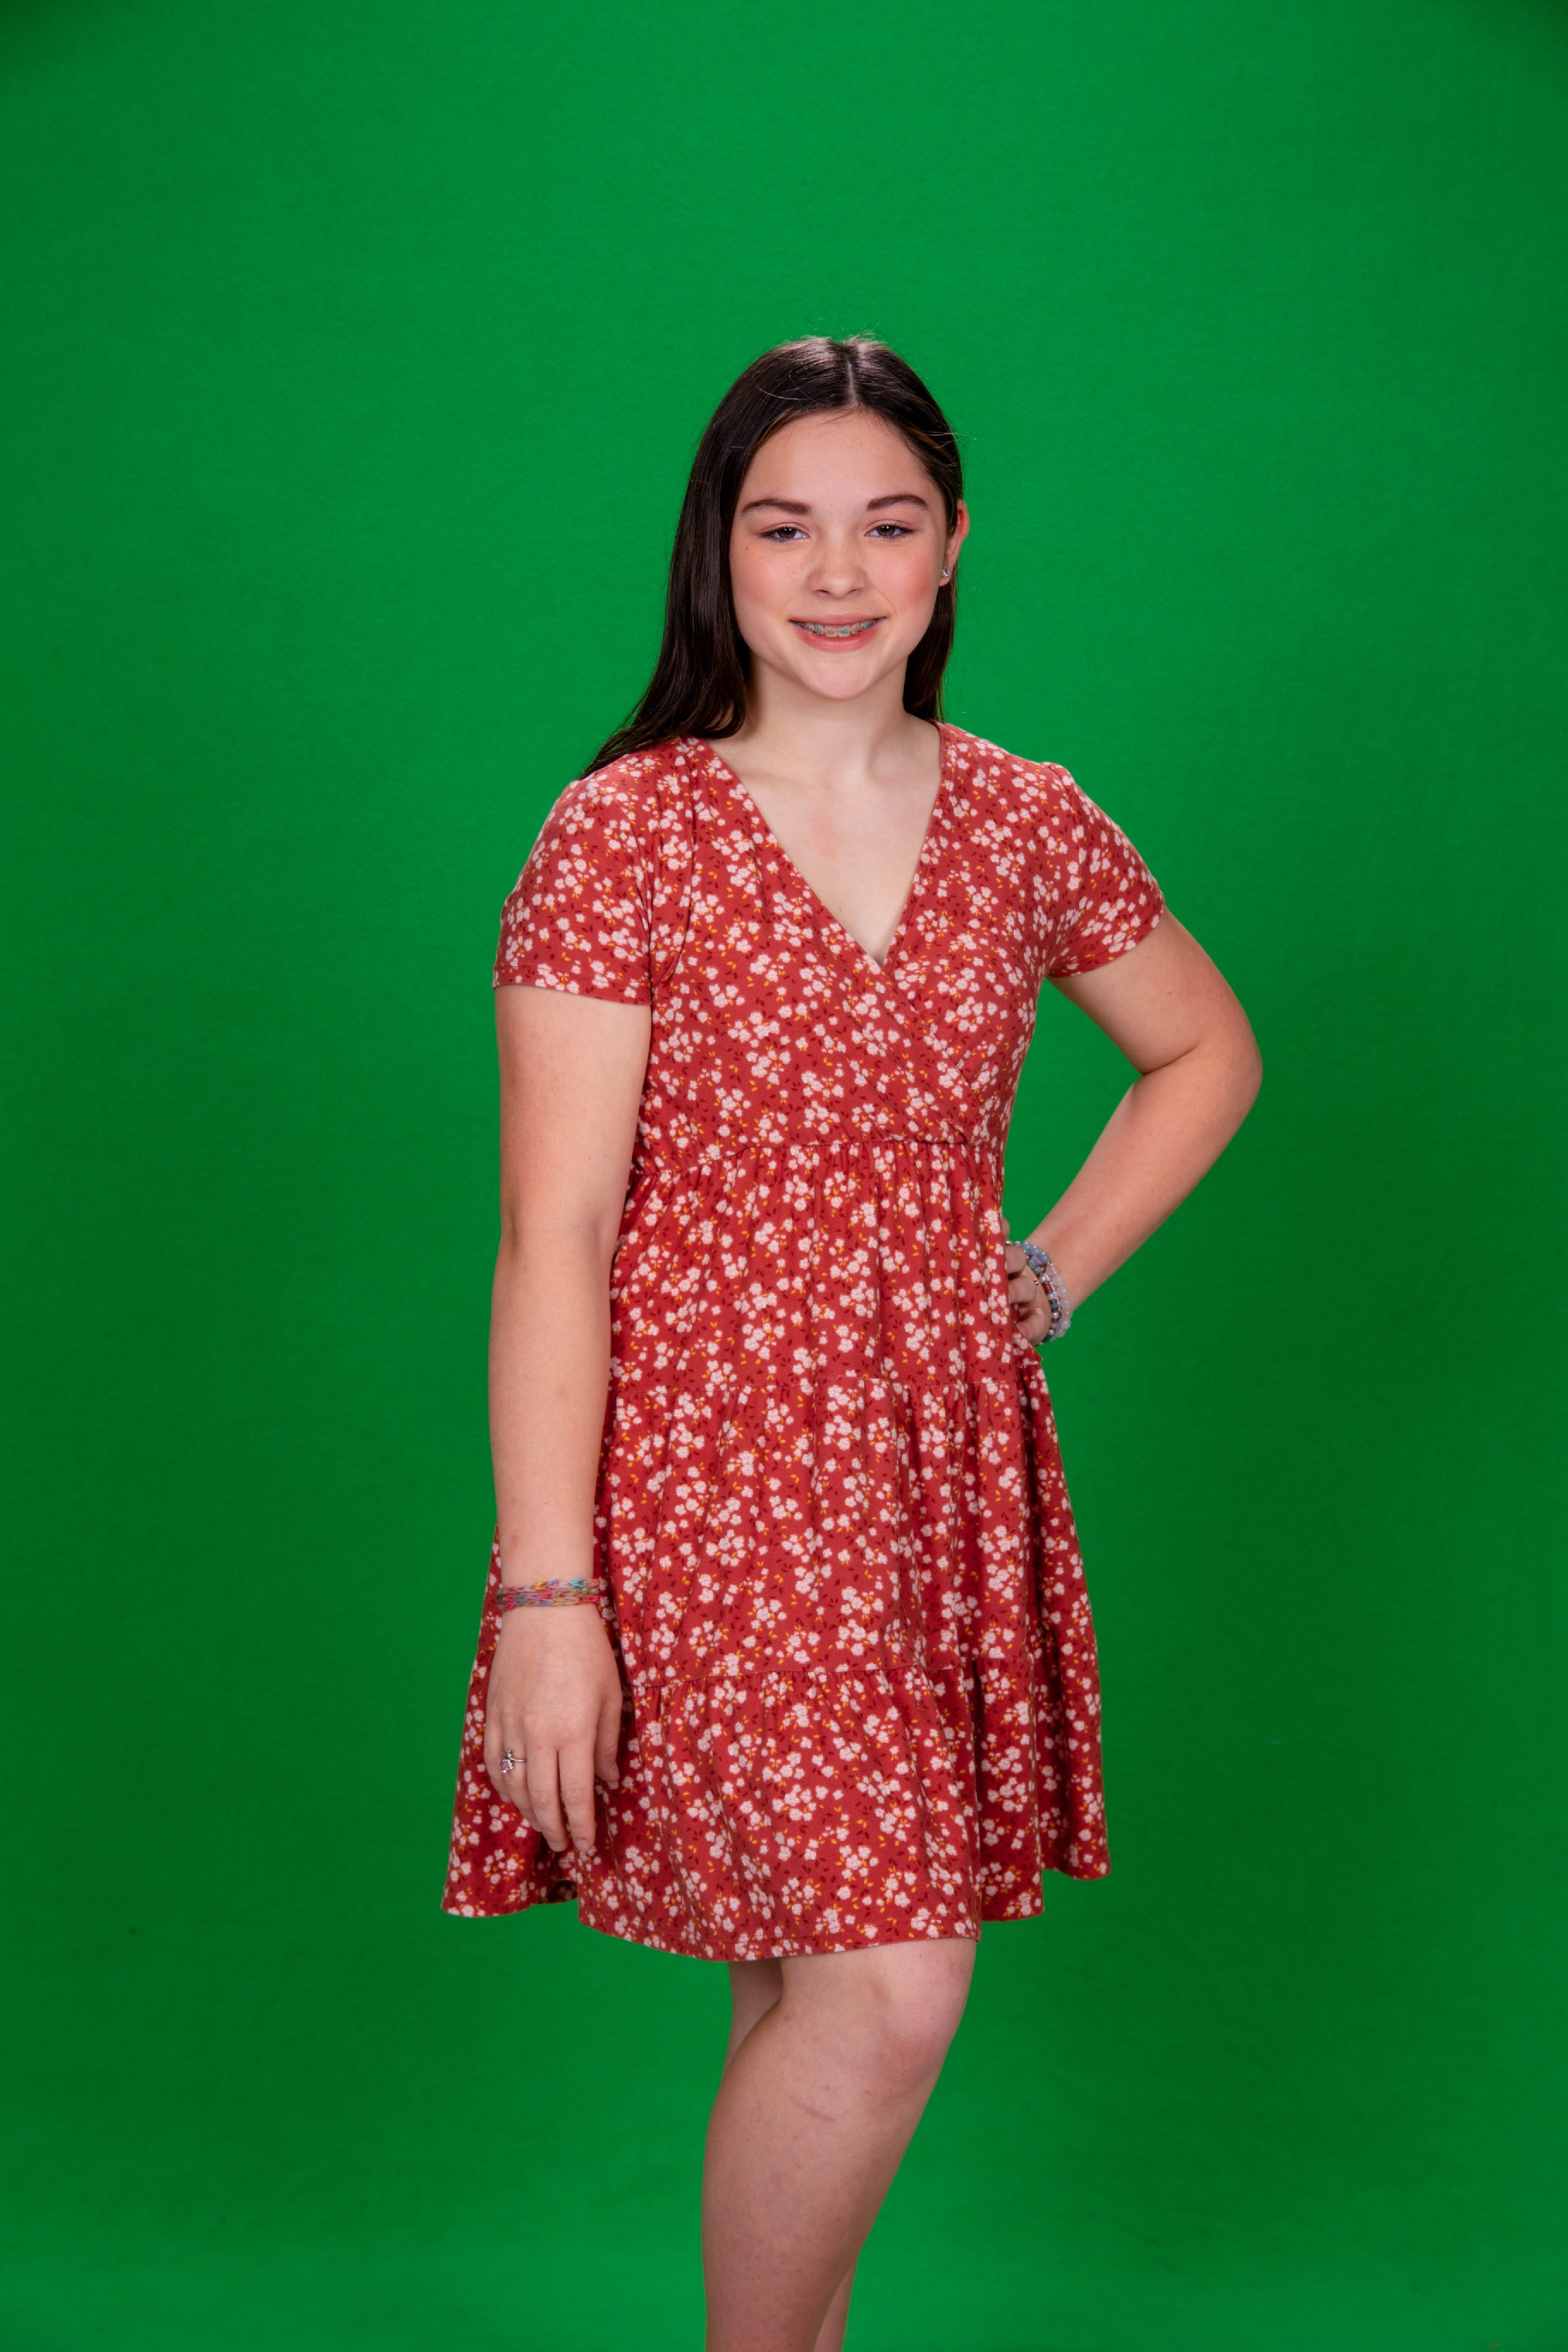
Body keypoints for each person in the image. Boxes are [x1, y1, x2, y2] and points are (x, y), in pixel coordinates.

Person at [443, 336, 1261, 2352]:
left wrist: (1041, 1275)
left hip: (928, 1463)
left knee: (818, 1982)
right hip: (706, 1471)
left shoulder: (1027, 820)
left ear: (953, 545)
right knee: (889, 1987)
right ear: (716, 552)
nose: (835, 573)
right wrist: (546, 1591)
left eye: (885, 525)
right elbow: (553, 1237)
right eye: (783, 526)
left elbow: (1206, 1055)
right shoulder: (622, 833)